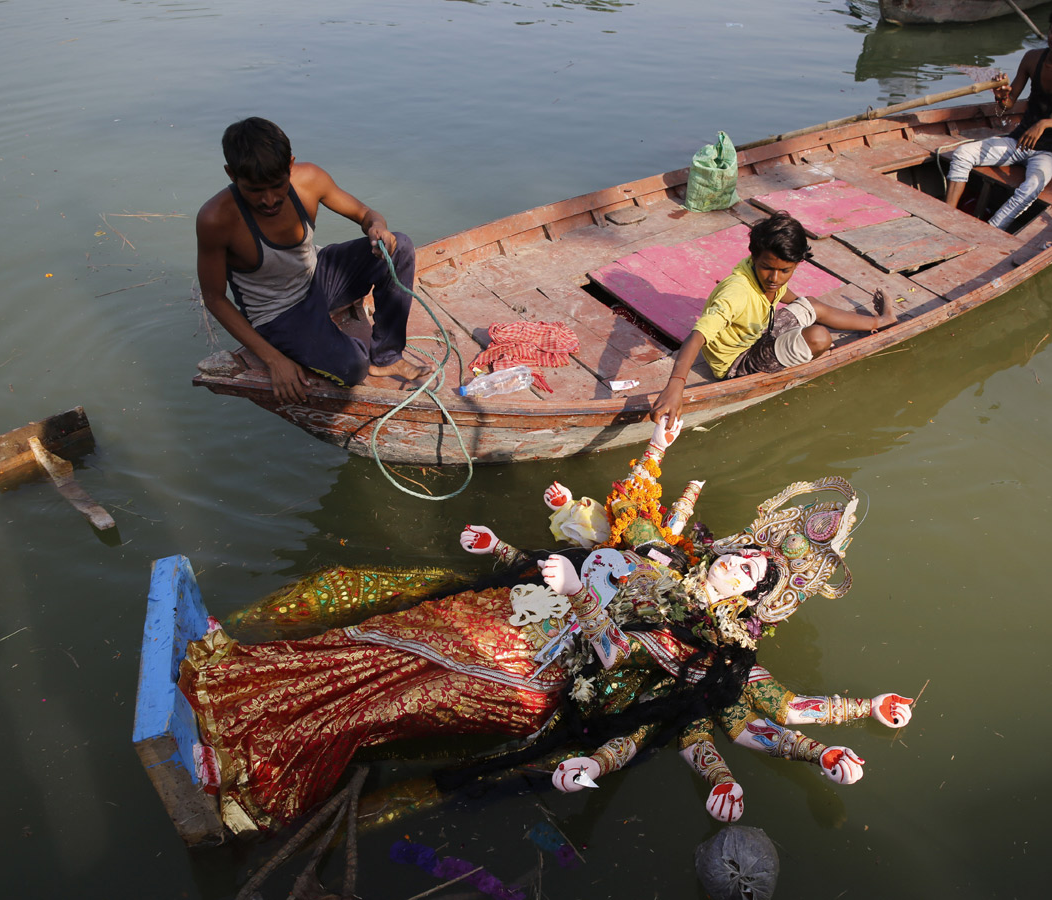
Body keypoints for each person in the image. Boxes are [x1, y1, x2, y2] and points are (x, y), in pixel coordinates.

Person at [178, 417, 912, 835]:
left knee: (403, 696)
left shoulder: (716, 649)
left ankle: (258, 777)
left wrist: (840, 736)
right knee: (385, 638)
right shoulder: (669, 553)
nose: (749, 565)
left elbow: (773, 713)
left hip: (543, 677)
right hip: (524, 608)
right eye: (752, 554)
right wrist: (513, 548)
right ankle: (243, 685)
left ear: (757, 602)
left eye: (761, 577)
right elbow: (618, 518)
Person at [196, 117, 430, 405]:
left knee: (399, 245)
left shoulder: (310, 180)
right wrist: (274, 360)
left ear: (290, 165)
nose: (269, 200)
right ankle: (333, 344)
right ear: (231, 175)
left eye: (277, 185)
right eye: (255, 190)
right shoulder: (216, 218)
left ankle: (386, 356)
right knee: (353, 368)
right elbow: (215, 298)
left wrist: (377, 228)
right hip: (279, 312)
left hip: (318, 274)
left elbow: (367, 214)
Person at [650, 212, 896, 424]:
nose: (775, 278)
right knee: (820, 338)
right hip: (738, 362)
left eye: (785, 271)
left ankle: (882, 322)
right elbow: (697, 336)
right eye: (768, 268)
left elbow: (781, 292)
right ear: (754, 257)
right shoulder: (736, 292)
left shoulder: (768, 273)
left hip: (761, 333)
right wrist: (676, 385)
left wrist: (802, 311)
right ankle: (805, 351)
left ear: (797, 264)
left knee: (810, 304)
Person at [944, 1, 1052, 230]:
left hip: (1049, 150)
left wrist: (1045, 123)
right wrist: (1000, 95)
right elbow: (1007, 105)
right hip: (1018, 140)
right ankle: (946, 217)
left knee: (1031, 187)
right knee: (963, 153)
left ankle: (991, 230)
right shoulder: (1032, 58)